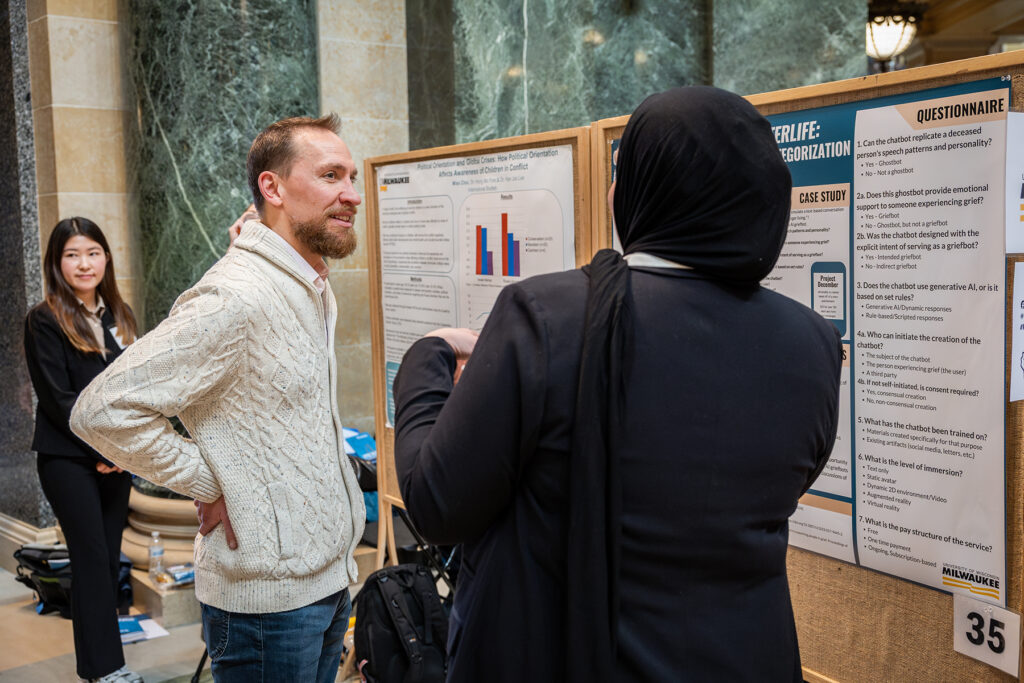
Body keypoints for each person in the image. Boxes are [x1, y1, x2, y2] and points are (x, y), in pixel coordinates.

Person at [392, 86, 843, 682]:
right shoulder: (813, 342)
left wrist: (428, 359)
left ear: (639, 193)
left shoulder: (548, 317)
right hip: (745, 657)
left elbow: (435, 503)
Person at [71, 113, 366, 683]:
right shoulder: (237, 297)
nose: (351, 195)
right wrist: (213, 480)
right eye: (331, 176)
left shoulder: (306, 284)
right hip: (268, 606)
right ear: (272, 188)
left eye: (351, 177)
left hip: (327, 580)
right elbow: (102, 410)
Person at [23, 217, 140, 683]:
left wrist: (125, 448)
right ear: (57, 263)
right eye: (72, 255)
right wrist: (103, 447)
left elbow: (133, 386)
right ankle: (105, 671)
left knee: (108, 560)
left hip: (115, 458)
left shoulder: (118, 315)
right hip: (68, 458)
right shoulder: (44, 319)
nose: (84, 263)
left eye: (92, 252)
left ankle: (104, 664)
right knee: (90, 557)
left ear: (106, 258)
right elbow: (58, 400)